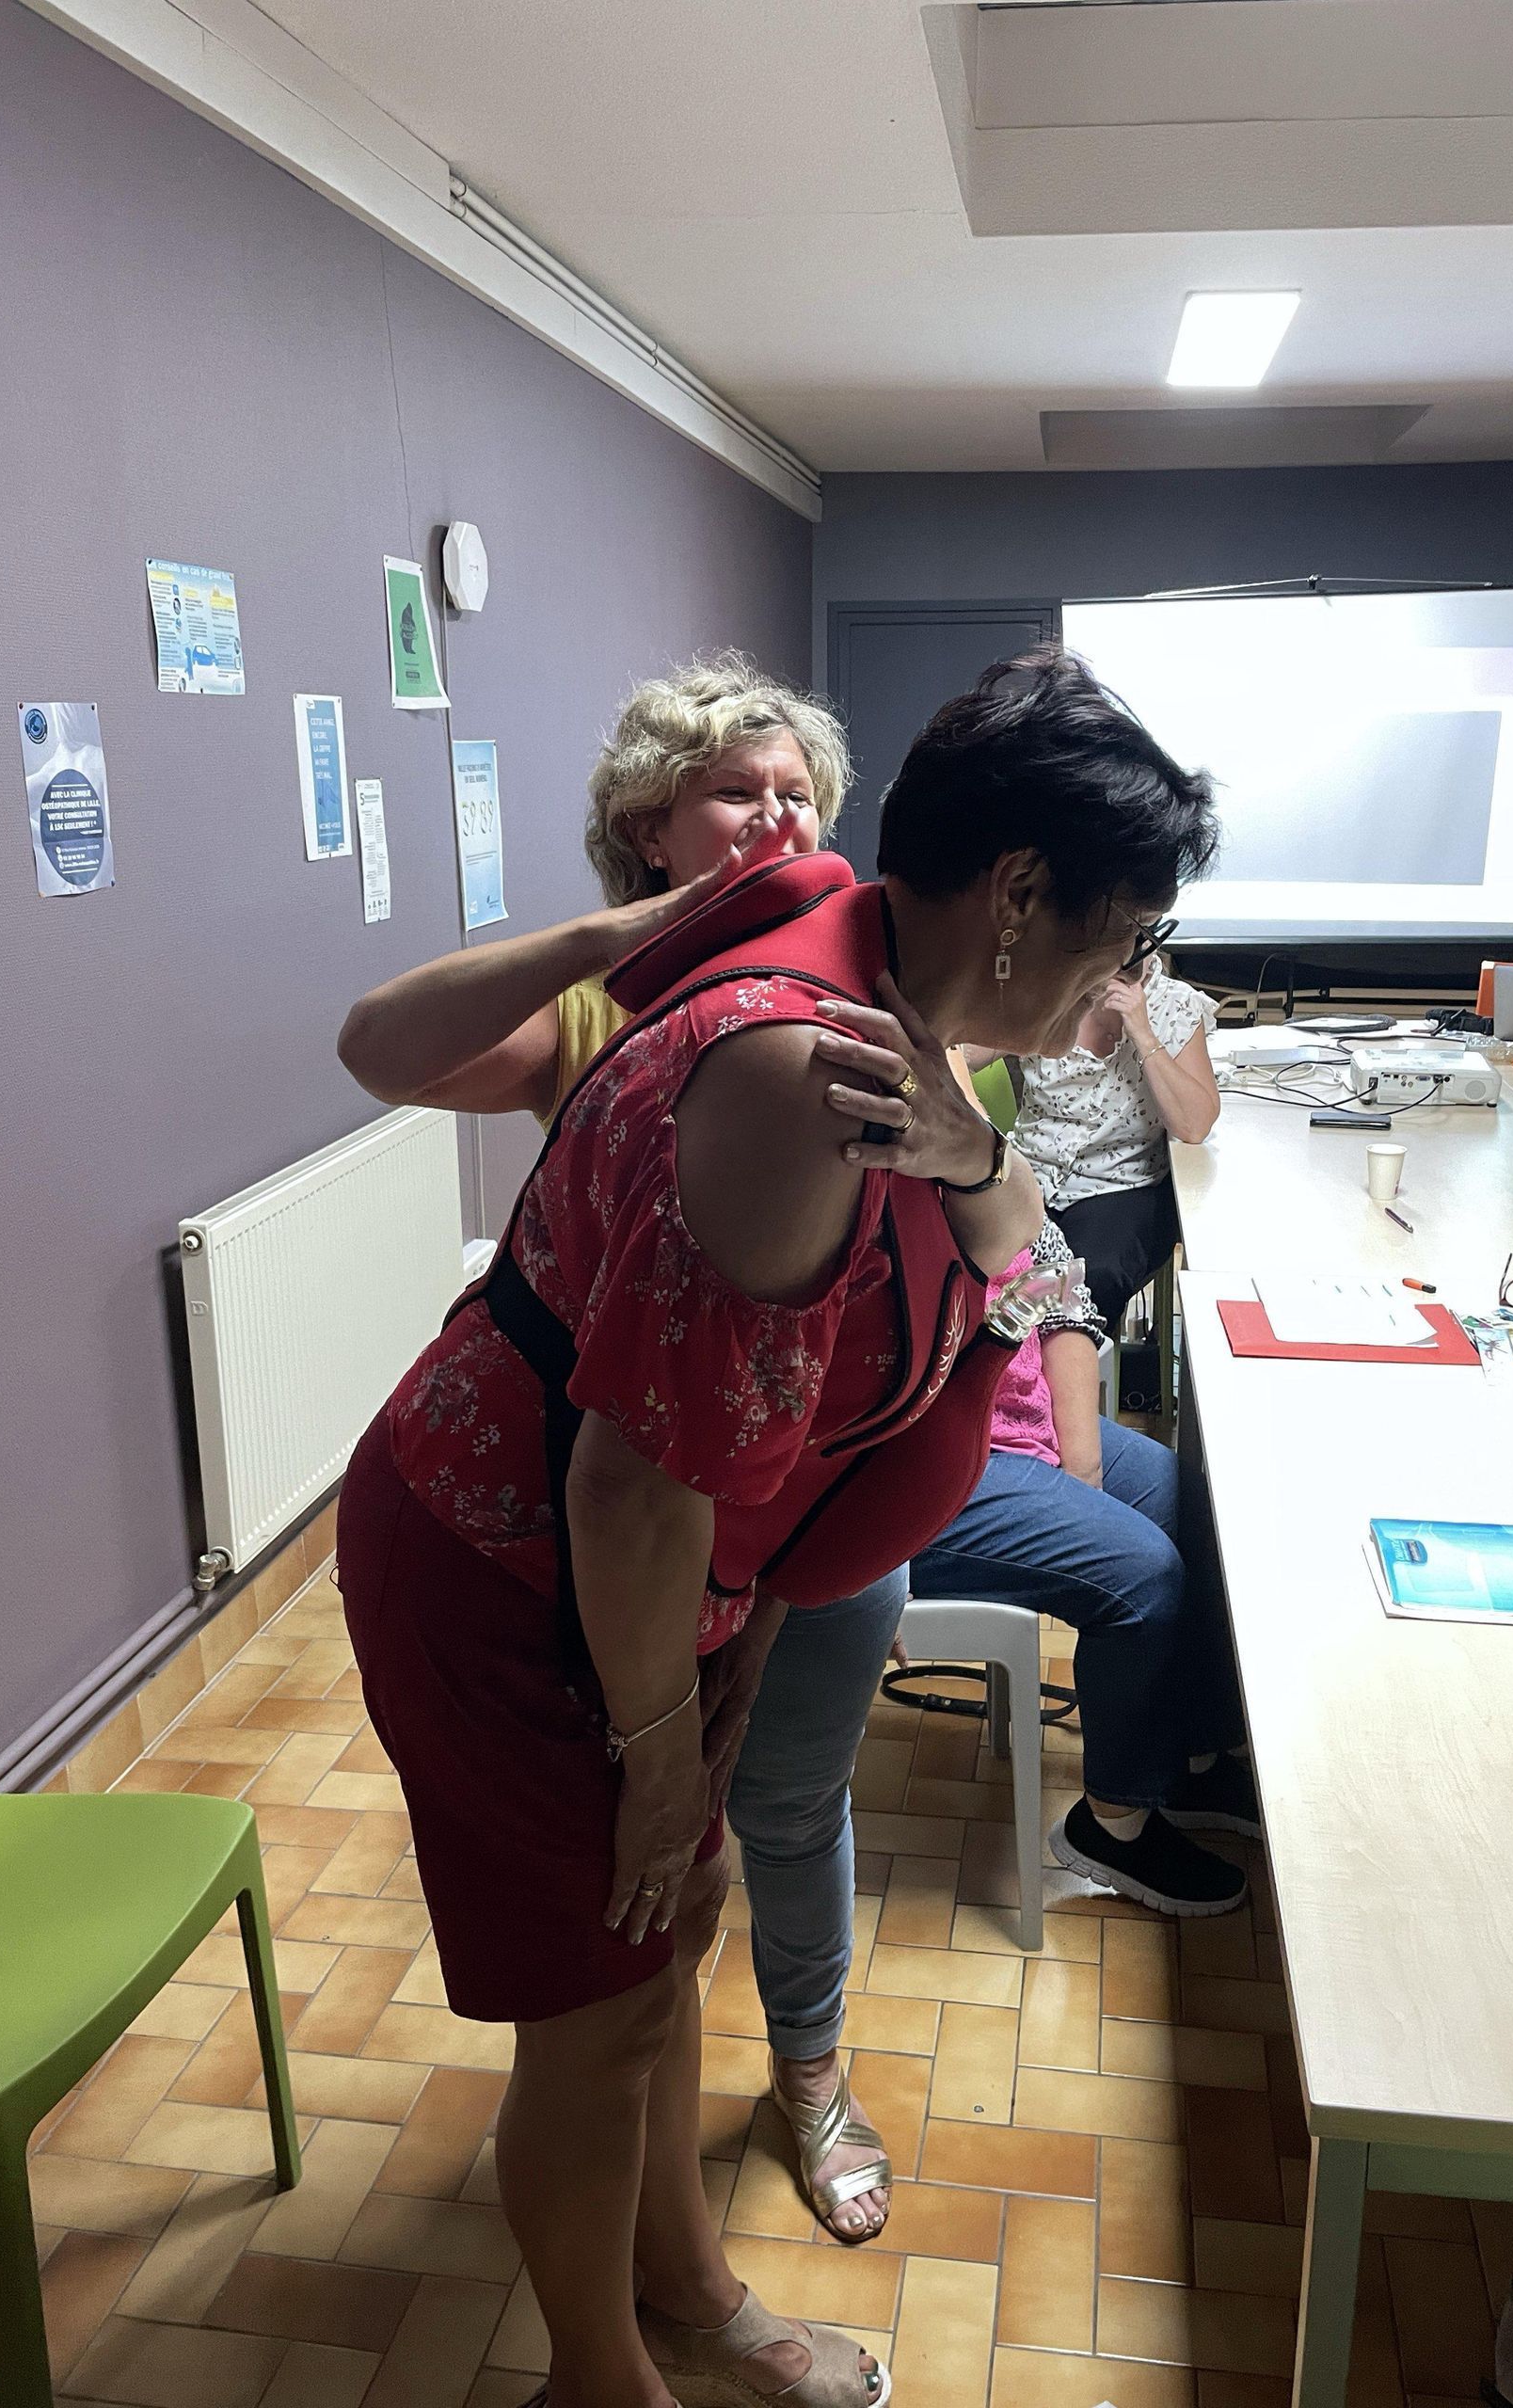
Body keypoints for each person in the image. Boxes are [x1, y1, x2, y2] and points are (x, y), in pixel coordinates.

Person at [333, 646, 1218, 2408]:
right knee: (599, 2016)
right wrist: (664, 1749)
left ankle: (683, 2291)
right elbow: (629, 1486)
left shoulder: (910, 1033)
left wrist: (978, 1165)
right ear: (1020, 894)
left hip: (659, 1587)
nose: (1129, 987)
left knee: (673, 1947)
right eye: (1126, 939)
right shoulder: (793, 1078)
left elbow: (984, 1244)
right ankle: (603, 2376)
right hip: (512, 1577)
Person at [342, 659, 905, 2244]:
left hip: (805, 1513)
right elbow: (377, 1048)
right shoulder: (602, 1002)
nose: (779, 814)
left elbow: (963, 1234)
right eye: (739, 789)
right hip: (633, 1528)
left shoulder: (862, 992)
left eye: (797, 792)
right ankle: (650, 2226)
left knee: (778, 1814)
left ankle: (810, 2079)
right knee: (652, 1879)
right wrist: (629, 939)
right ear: (651, 826)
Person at [908, 1214, 1255, 1914]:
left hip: (1014, 1419)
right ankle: (1114, 1824)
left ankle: (1183, 1759)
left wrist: (1083, 1466)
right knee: (1141, 1573)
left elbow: (1059, 1280)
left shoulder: (964, 1134)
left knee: (1186, 1498)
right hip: (921, 1467)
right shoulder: (849, 1164)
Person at [1008, 946, 1221, 1331]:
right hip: (1031, 1172)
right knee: (984, 1260)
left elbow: (1194, 1126)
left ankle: (1067, 1377)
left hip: (1120, 1185)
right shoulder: (1045, 985)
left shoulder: (1175, 1004)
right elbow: (959, 1045)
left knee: (1088, 1279)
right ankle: (1010, 1374)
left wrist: (1142, 1032)